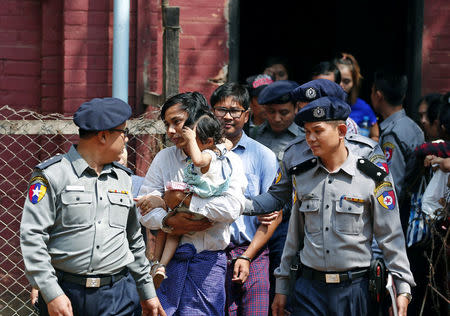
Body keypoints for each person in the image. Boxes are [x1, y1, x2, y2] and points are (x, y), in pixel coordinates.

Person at [20, 97, 165, 316]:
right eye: (123, 133)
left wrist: (147, 292)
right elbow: (33, 237)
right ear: (104, 136)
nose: (126, 139)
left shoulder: (123, 179)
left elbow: (134, 241)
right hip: (66, 295)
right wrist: (51, 293)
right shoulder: (52, 175)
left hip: (118, 296)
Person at [271, 96, 415, 316]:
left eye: (317, 131)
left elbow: (391, 236)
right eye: (307, 131)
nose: (310, 138)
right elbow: (294, 238)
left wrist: (402, 288)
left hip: (354, 291)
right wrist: (282, 286)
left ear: (340, 131)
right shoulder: (302, 175)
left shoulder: (371, 177)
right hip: (309, 289)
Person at [136, 92, 247, 316]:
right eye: (167, 124)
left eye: (176, 122)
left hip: (207, 266)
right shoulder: (164, 158)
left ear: (197, 121)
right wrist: (170, 221)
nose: (170, 131)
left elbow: (232, 207)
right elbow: (145, 212)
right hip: (169, 266)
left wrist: (187, 203)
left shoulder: (227, 161)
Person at [210, 82, 281, 315]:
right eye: (221, 110)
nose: (228, 116)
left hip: (254, 252)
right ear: (212, 113)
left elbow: (274, 215)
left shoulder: (263, 156)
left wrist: (247, 256)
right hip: (212, 253)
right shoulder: (203, 156)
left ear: (247, 115)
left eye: (235, 111)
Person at [149, 113, 235, 289]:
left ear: (208, 141)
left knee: (169, 229)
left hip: (200, 206)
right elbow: (228, 143)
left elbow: (198, 159)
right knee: (167, 227)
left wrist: (191, 139)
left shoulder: (209, 155)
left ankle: (159, 263)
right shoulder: (220, 149)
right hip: (195, 204)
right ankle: (159, 265)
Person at [371, 70, 425, 228]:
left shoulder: (392, 135)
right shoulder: (413, 126)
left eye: (371, 91)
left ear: (378, 95)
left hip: (397, 218)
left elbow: (392, 185)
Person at [334, 53, 379, 141]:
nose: (340, 85)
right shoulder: (322, 104)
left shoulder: (363, 107)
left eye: (346, 81)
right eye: (337, 80)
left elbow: (375, 136)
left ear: (354, 83)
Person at [244, 74, 274, 138]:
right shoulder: (239, 126)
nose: (266, 104)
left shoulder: (281, 127)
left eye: (270, 98)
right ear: (250, 102)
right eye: (261, 99)